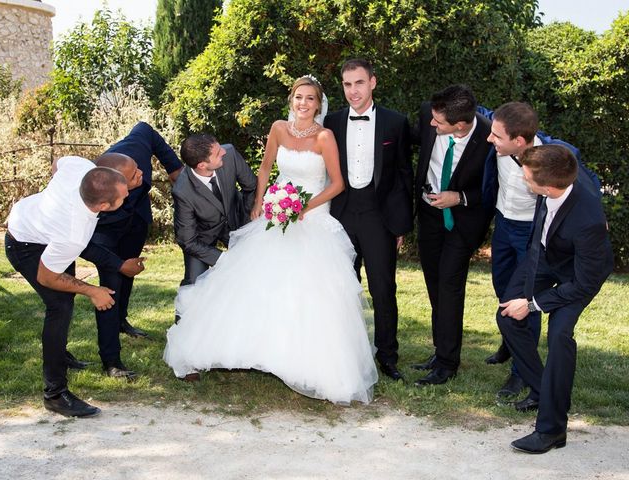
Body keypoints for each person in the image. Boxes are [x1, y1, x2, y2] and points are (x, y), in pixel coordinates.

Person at [164, 75, 378, 404]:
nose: (303, 104)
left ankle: (309, 364)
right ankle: (252, 350)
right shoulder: (279, 128)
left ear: (318, 104)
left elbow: (337, 184)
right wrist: (260, 203)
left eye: (309, 99)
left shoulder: (325, 136)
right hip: (275, 215)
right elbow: (264, 169)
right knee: (256, 285)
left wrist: (304, 206)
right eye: (298, 98)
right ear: (291, 100)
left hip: (312, 217)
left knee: (310, 293)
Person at [497, 144, 612, 454]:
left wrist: (533, 304)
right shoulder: (556, 175)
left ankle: (551, 430)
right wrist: (523, 294)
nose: (523, 181)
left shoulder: (588, 220)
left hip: (579, 275)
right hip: (546, 256)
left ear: (546, 186)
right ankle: (545, 390)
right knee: (506, 313)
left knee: (559, 335)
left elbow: (583, 285)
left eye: (527, 179)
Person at [481, 102, 601, 398]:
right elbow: (476, 110)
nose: (489, 139)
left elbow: (588, 190)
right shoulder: (501, 140)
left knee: (526, 304)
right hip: (504, 225)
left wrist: (597, 224)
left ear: (518, 142)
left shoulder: (556, 157)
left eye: (496, 136)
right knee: (505, 296)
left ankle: (521, 376)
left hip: (535, 237)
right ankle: (520, 357)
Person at [5, 156, 129, 417]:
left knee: (66, 297)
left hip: (41, 228)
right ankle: (55, 394)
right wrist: (93, 290)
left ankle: (59, 354)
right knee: (59, 306)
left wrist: (52, 201)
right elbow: (47, 277)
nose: (128, 194)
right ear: (105, 206)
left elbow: (57, 163)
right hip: (24, 243)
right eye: (123, 196)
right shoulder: (73, 232)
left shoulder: (82, 168)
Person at [323, 59, 413, 381]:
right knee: (341, 289)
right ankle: (342, 354)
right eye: (347, 85)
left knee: (383, 289)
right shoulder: (330, 122)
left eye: (358, 83)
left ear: (373, 82)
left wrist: (401, 224)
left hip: (379, 217)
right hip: (341, 216)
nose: (353, 91)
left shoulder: (395, 123)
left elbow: (404, 175)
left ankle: (387, 357)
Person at [80, 123, 183, 380]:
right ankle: (111, 360)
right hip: (105, 231)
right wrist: (116, 263)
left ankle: (122, 320)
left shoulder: (134, 148)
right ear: (115, 186)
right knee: (110, 286)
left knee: (129, 273)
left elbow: (146, 129)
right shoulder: (89, 204)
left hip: (136, 218)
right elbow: (84, 245)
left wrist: (174, 168)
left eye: (138, 169)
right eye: (135, 176)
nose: (142, 174)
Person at [411, 85, 492, 385]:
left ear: (460, 125)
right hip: (429, 214)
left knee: (449, 285)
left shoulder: (489, 136)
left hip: (462, 221)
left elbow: (491, 189)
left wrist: (459, 197)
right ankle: (439, 349)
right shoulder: (430, 114)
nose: (430, 125)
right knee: (434, 283)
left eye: (438, 124)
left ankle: (447, 363)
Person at [172, 134, 257, 288]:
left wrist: (246, 222)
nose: (223, 152)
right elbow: (187, 241)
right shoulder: (182, 191)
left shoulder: (229, 153)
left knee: (255, 268)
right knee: (194, 284)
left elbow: (251, 187)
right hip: (201, 237)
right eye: (217, 153)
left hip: (235, 220)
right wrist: (224, 258)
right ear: (202, 165)